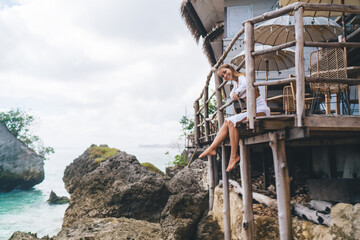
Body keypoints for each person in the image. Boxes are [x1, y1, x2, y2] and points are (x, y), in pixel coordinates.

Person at [199, 64, 270, 172]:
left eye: (225, 71)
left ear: (230, 68)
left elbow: (246, 84)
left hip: (261, 110)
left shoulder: (242, 77)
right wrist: (234, 93)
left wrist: (237, 92)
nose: (225, 75)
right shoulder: (236, 83)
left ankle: (232, 155)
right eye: (222, 76)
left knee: (230, 121)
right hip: (253, 111)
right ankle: (215, 149)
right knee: (228, 121)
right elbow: (232, 93)